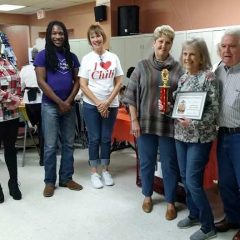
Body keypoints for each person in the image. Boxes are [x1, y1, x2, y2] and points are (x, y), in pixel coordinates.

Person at [123, 25, 183, 219]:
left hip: (168, 126)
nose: (163, 45)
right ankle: (147, 196)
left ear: (171, 45)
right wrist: (134, 121)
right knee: (147, 162)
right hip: (145, 124)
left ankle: (171, 201)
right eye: (160, 41)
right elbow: (130, 95)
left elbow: (183, 99)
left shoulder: (179, 68)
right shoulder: (141, 66)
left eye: (167, 42)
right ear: (154, 43)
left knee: (169, 165)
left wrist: (173, 106)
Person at [167, 38, 218, 240]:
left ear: (201, 56)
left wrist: (194, 123)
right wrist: (169, 108)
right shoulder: (183, 78)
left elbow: (214, 111)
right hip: (181, 135)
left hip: (199, 137)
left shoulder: (209, 77)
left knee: (193, 181)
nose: (187, 58)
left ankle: (208, 226)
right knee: (185, 178)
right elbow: (180, 106)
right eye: (185, 53)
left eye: (192, 54)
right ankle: (194, 214)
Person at [34, 20, 82, 197]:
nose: (57, 36)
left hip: (68, 105)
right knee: (50, 146)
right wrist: (59, 102)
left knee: (69, 144)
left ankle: (66, 178)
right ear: (49, 35)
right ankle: (49, 182)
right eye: (54, 33)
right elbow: (41, 81)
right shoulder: (43, 56)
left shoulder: (72, 56)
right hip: (50, 106)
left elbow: (78, 80)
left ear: (65, 35)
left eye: (60, 33)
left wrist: (68, 101)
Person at [79, 24, 123, 189]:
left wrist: (108, 102)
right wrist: (98, 103)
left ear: (103, 37)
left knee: (106, 138)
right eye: (92, 37)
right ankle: (94, 172)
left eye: (98, 35)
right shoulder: (87, 59)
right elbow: (83, 84)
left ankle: (105, 170)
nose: (96, 39)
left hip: (111, 105)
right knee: (94, 138)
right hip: (92, 105)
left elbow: (119, 81)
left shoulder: (113, 57)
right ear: (90, 40)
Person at [214, 28, 240, 240]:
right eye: (223, 46)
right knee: (226, 182)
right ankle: (233, 217)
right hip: (222, 134)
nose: (227, 50)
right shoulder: (218, 71)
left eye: (232, 45)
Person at [0, 42, 22, 202]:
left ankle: (13, 183)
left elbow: (18, 81)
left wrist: (18, 97)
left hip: (12, 115)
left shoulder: (7, 61)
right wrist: (13, 98)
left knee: (10, 149)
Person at [20, 48, 44, 166]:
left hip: (28, 103)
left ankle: (32, 126)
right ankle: (43, 157)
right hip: (42, 101)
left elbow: (21, 85)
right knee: (43, 129)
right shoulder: (43, 67)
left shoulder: (24, 69)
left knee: (35, 125)